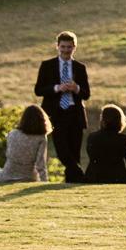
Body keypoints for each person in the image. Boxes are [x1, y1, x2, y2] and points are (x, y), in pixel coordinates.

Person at [35, 31, 91, 182]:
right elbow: (38, 90)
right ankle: (82, 178)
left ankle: (72, 184)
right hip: (56, 114)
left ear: (74, 47)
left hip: (74, 114)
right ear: (57, 46)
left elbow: (86, 94)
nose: (66, 50)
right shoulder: (47, 66)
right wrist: (56, 88)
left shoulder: (80, 68)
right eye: (63, 47)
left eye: (69, 47)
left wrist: (76, 88)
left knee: (75, 152)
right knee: (62, 152)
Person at [0, 105, 52, 183]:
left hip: (7, 175)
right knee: (34, 172)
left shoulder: (12, 133)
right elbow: (40, 162)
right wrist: (44, 180)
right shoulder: (41, 138)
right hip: (28, 177)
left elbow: (9, 154)